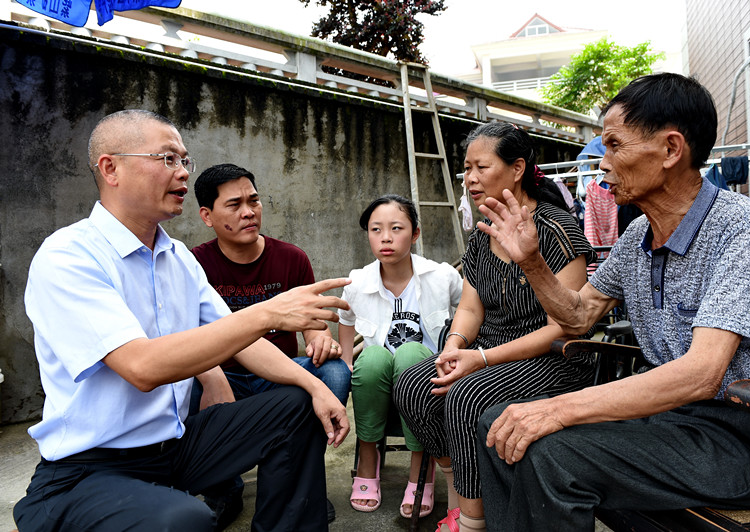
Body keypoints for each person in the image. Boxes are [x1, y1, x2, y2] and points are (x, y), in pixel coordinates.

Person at [476, 73, 750, 531]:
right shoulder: (636, 237)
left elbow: (703, 373)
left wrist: (558, 408)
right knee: (500, 424)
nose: (602, 162)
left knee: (551, 450)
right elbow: (579, 316)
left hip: (746, 440)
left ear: (670, 150)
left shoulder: (742, 227)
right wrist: (531, 261)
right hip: (670, 421)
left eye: (614, 145)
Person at [13, 109, 350, 532]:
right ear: (110, 167)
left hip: (173, 448)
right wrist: (268, 312)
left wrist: (316, 386)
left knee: (300, 405)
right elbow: (142, 367)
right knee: (186, 520)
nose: (183, 173)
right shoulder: (68, 256)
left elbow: (245, 342)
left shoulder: (178, 261)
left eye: (184, 160)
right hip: (90, 468)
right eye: (167, 158)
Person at [393, 122, 597, 532]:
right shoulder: (481, 233)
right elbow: (470, 307)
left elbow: (567, 326)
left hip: (552, 356)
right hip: (485, 349)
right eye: (466, 169)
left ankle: (472, 521)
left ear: (517, 168)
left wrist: (481, 359)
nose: (470, 179)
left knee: (466, 395)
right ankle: (463, 490)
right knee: (413, 386)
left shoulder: (558, 231)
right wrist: (454, 346)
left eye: (481, 167)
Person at [190, 163, 351, 526]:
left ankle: (298, 482)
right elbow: (185, 337)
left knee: (335, 373)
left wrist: (320, 340)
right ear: (207, 216)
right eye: (234, 205)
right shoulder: (194, 264)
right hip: (225, 377)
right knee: (182, 382)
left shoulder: (291, 258)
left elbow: (313, 328)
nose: (249, 212)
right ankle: (222, 486)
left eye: (254, 200)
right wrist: (211, 378)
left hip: (277, 374)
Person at [337, 194, 462, 517]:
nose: (386, 238)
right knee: (374, 357)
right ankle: (368, 457)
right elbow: (346, 320)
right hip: (377, 382)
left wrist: (456, 352)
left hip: (426, 381)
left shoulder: (443, 276)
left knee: (409, 354)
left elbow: (469, 311)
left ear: (415, 233)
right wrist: (348, 362)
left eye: (396, 228)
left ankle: (421, 466)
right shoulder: (357, 282)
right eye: (376, 230)